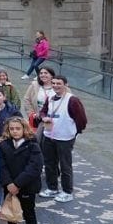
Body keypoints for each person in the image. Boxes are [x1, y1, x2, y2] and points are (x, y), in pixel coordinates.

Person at [0, 117, 44, 224]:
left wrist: (17, 184)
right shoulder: (4, 145)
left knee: (29, 214)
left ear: (24, 129)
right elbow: (1, 165)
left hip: (27, 187)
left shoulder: (32, 145)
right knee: (10, 210)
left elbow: (34, 167)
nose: (15, 131)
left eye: (18, 128)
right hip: (9, 186)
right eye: (12, 129)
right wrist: (8, 183)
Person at [36, 75, 87, 203]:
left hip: (65, 138)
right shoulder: (51, 98)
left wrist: (74, 133)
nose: (55, 86)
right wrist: (43, 117)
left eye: (59, 83)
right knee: (49, 163)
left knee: (65, 165)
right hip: (49, 135)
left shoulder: (72, 100)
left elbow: (82, 120)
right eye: (53, 83)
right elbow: (43, 111)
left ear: (66, 84)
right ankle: (52, 188)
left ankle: (67, 191)